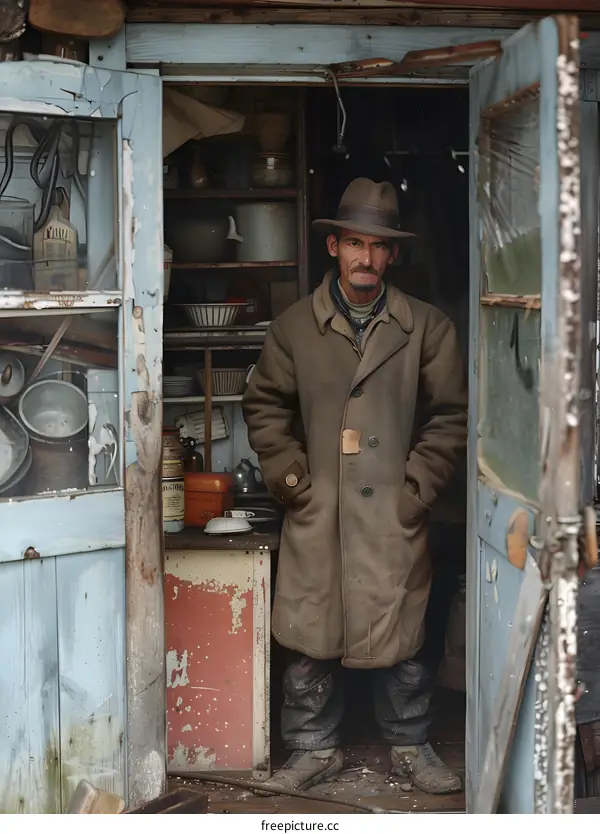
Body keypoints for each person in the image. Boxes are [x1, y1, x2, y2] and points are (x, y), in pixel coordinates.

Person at [242, 178, 467, 795]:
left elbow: (452, 417)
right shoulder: (294, 328)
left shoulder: (427, 328)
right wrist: (295, 482)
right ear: (334, 247)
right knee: (311, 635)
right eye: (355, 245)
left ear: (393, 256)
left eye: (379, 247)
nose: (366, 259)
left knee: (404, 630)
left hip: (394, 513)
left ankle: (409, 745)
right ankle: (313, 749)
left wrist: (416, 490)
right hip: (319, 511)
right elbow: (263, 406)